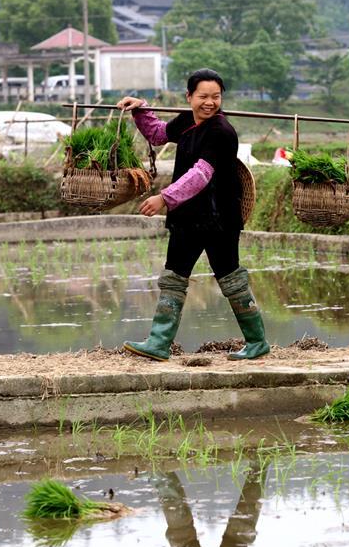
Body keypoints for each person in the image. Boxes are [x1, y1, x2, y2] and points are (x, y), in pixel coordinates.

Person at [115, 68, 270, 361]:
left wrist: (164, 198)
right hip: (188, 216)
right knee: (174, 275)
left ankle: (257, 341)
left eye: (216, 96)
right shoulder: (187, 120)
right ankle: (159, 343)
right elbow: (159, 134)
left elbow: (201, 175)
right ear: (189, 97)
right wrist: (141, 110)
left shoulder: (222, 132)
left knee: (230, 277)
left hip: (219, 218)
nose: (210, 102)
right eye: (203, 96)